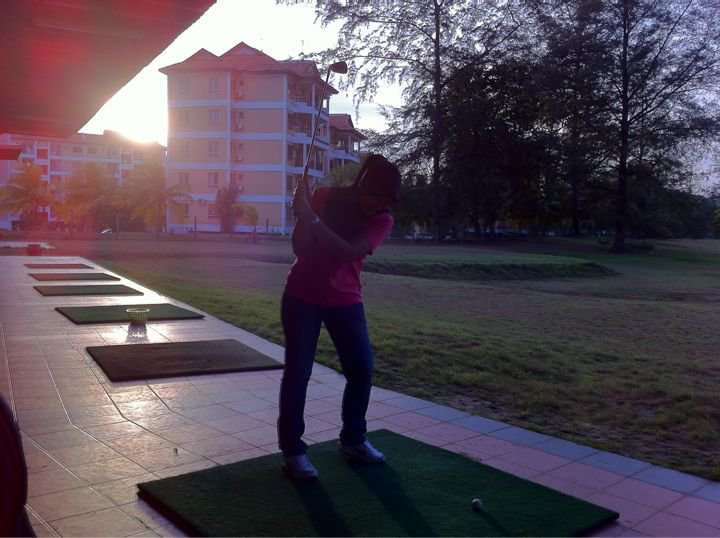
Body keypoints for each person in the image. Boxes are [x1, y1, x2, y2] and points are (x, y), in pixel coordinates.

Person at [277, 154, 401, 481]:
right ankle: (293, 451)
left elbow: (347, 251)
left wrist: (313, 219)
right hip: (302, 296)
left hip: (345, 299)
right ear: (362, 187)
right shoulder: (324, 196)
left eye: (387, 200)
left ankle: (353, 440)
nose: (381, 204)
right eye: (377, 196)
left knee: (362, 369)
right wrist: (303, 214)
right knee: (298, 373)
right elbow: (301, 248)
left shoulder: (383, 219)